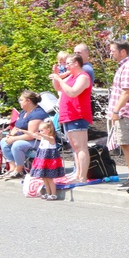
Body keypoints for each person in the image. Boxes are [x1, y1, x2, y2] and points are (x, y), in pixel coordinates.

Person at [107, 41, 129, 190]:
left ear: (123, 51)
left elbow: (127, 91)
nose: (111, 53)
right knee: (124, 144)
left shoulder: (128, 67)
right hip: (122, 113)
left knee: (126, 145)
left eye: (113, 51)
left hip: (125, 113)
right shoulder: (124, 66)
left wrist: (116, 110)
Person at [50, 54, 91, 183]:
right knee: (74, 147)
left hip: (78, 115)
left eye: (68, 63)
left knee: (81, 146)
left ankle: (83, 176)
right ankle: (77, 173)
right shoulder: (70, 77)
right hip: (68, 115)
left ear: (76, 64)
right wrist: (56, 76)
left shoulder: (83, 77)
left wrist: (60, 79)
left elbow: (73, 92)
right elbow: (57, 87)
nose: (65, 66)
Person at [0, 90, 49, 180]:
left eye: (21, 100)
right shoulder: (23, 112)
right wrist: (10, 135)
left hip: (38, 142)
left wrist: (14, 139)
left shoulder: (37, 114)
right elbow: (16, 127)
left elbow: (31, 135)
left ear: (28, 101)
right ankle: (12, 168)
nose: (19, 102)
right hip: (25, 139)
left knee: (17, 145)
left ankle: (19, 170)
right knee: (4, 141)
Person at [29, 119, 64, 201]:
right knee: (44, 178)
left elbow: (46, 137)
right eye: (40, 130)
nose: (40, 132)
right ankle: (48, 193)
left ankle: (54, 194)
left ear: (48, 130)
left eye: (42, 130)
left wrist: (41, 135)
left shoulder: (51, 138)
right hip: (42, 160)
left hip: (50, 161)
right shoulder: (43, 138)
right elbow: (33, 135)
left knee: (50, 178)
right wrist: (22, 130)